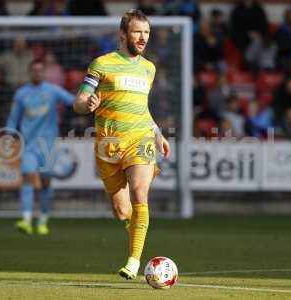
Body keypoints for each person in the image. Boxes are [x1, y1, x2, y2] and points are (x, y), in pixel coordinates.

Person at [73, 9, 170, 280]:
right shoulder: (102, 64)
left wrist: (157, 132)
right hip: (109, 145)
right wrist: (88, 103)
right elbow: (79, 101)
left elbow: (143, 107)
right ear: (123, 34)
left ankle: (134, 261)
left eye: (147, 33)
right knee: (121, 210)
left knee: (140, 193)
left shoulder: (149, 68)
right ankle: (135, 232)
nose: (143, 38)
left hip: (140, 140)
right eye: (137, 32)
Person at [6, 59, 75, 235]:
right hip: (29, 145)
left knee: (45, 182)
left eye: (40, 70)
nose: (37, 73)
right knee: (28, 177)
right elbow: (14, 118)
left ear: (44, 73)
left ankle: (43, 220)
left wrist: (88, 97)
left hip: (48, 146)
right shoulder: (21, 94)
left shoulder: (53, 91)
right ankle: (26, 219)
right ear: (30, 73)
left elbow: (72, 101)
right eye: (34, 70)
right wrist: (8, 133)